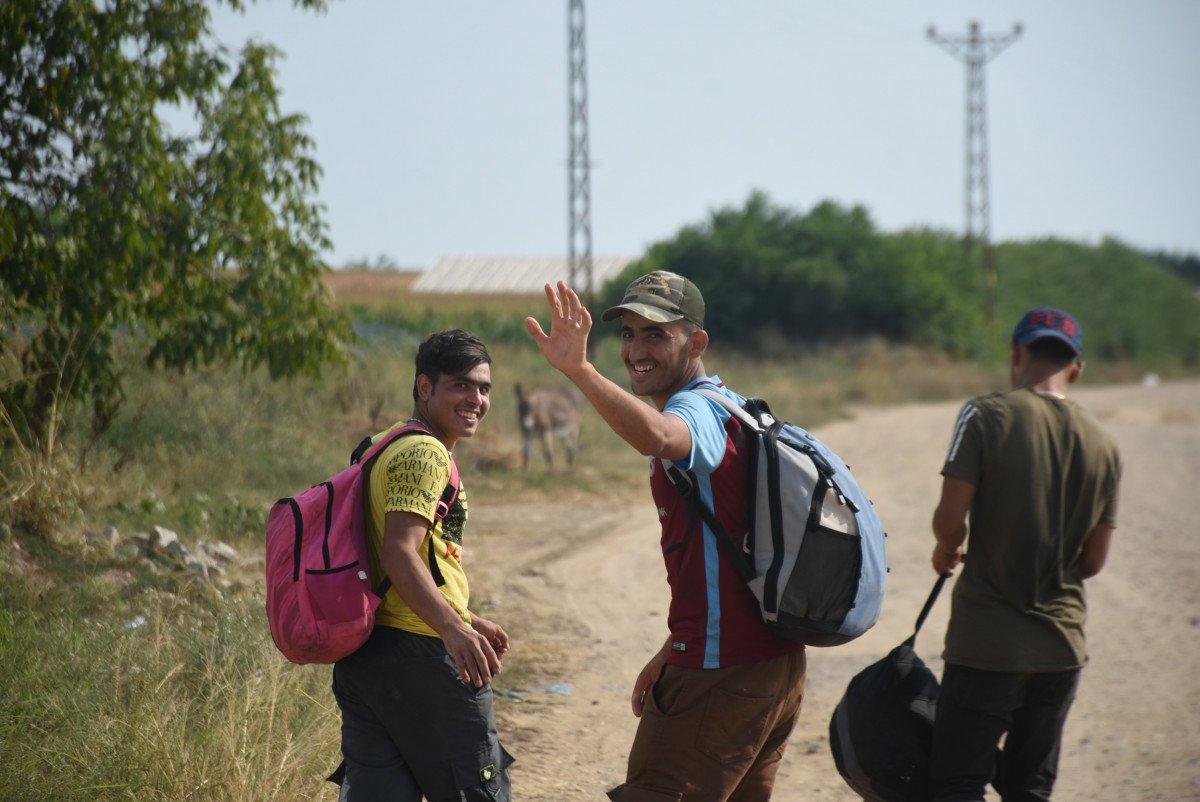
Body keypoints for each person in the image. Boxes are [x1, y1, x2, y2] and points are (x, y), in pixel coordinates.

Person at [526, 274, 806, 801]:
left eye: (656, 334)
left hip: (720, 671)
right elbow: (732, 552)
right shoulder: (733, 405)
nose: (636, 349)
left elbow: (660, 437)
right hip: (774, 666)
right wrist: (668, 649)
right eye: (629, 334)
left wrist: (580, 372)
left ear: (697, 343)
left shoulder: (696, 410)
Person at [928, 307, 1122, 801]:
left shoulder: (986, 415)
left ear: (1017, 354)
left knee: (958, 781)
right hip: (1061, 648)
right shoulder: (1105, 445)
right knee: (1029, 787)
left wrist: (946, 551)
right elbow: (1094, 562)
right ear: (1076, 368)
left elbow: (950, 522)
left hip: (987, 645)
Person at [331, 329, 514, 801]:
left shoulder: (383, 441)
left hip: (367, 659)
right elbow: (398, 552)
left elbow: (397, 558)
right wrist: (453, 630)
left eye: (484, 388)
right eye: (461, 385)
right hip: (424, 657)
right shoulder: (426, 452)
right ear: (425, 387)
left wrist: (467, 617)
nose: (476, 399)